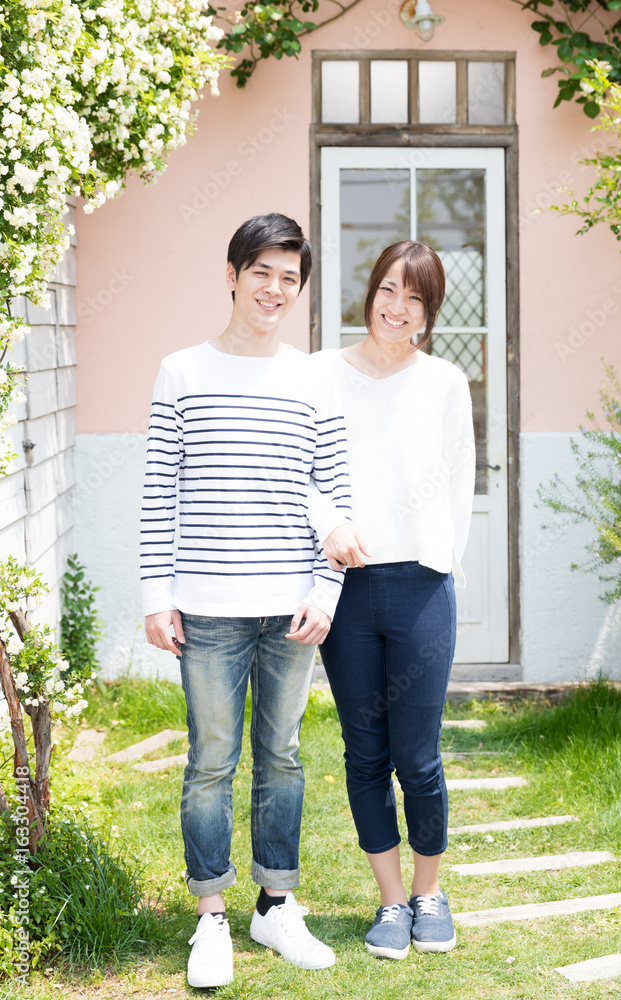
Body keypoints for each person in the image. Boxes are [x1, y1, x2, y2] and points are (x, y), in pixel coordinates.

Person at [140, 214, 354, 987]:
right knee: (210, 762)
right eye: (261, 272)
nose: (274, 289)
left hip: (291, 608)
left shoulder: (313, 379)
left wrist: (326, 590)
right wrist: (156, 596)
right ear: (231, 274)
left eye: (288, 279)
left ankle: (275, 906)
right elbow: (159, 492)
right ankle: (211, 920)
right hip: (206, 607)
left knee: (283, 758)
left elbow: (334, 496)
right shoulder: (181, 371)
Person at [311, 241, 476, 960]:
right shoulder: (320, 374)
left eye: (413, 297)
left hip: (420, 587)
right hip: (345, 589)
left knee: (418, 756)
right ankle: (387, 903)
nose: (395, 307)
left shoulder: (443, 381)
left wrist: (442, 561)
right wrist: (330, 524)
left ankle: (428, 893)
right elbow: (300, 468)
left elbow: (459, 479)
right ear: (368, 292)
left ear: (428, 312)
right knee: (364, 753)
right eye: (386, 289)